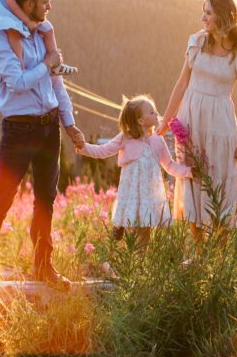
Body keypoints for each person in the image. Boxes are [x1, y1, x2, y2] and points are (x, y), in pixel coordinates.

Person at [0, 0, 84, 290]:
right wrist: (46, 63)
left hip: (49, 127)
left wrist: (69, 124)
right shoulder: (0, 43)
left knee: (46, 200)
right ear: (29, 5)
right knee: (1, 201)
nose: (49, 7)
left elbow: (57, 84)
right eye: (44, 2)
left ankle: (44, 267)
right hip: (19, 130)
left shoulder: (43, 36)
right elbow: (17, 82)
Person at [159, 0, 237, 236]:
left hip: (220, 121)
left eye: (207, 13)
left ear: (222, 17)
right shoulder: (196, 41)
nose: (202, 18)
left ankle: (220, 250)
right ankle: (197, 250)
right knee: (192, 174)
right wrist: (165, 121)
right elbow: (182, 82)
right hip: (190, 117)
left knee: (220, 178)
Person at [75, 96, 195, 245]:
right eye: (151, 112)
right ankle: (120, 225)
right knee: (133, 224)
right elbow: (103, 150)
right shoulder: (125, 138)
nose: (156, 113)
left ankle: (138, 263)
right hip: (131, 194)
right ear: (140, 121)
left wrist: (189, 171)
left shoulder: (158, 140)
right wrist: (83, 147)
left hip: (148, 196)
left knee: (144, 231)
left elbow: (169, 165)